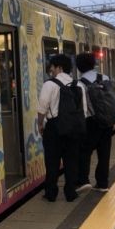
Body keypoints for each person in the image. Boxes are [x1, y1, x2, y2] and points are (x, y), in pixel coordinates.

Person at [37, 54, 87, 202]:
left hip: (54, 128)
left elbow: (42, 108)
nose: (50, 70)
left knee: (52, 162)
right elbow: (83, 111)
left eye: (52, 67)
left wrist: (40, 124)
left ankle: (51, 193)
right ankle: (70, 192)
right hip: (73, 128)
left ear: (59, 67)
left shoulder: (49, 84)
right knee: (71, 161)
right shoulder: (79, 85)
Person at [75, 52, 112, 193]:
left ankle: (83, 180)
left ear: (78, 67)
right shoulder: (105, 77)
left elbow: (82, 106)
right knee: (104, 152)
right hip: (107, 120)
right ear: (93, 64)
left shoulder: (80, 83)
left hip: (91, 121)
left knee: (84, 151)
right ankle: (103, 183)